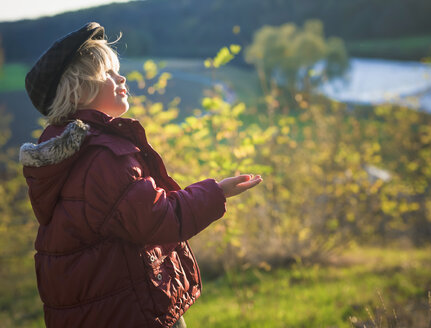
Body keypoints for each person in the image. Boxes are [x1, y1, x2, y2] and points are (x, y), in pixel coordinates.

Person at [19, 22, 262, 328]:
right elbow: (157, 218)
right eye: (107, 73)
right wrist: (217, 191)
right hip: (132, 311)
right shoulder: (102, 157)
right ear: (79, 90)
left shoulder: (69, 156)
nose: (120, 78)